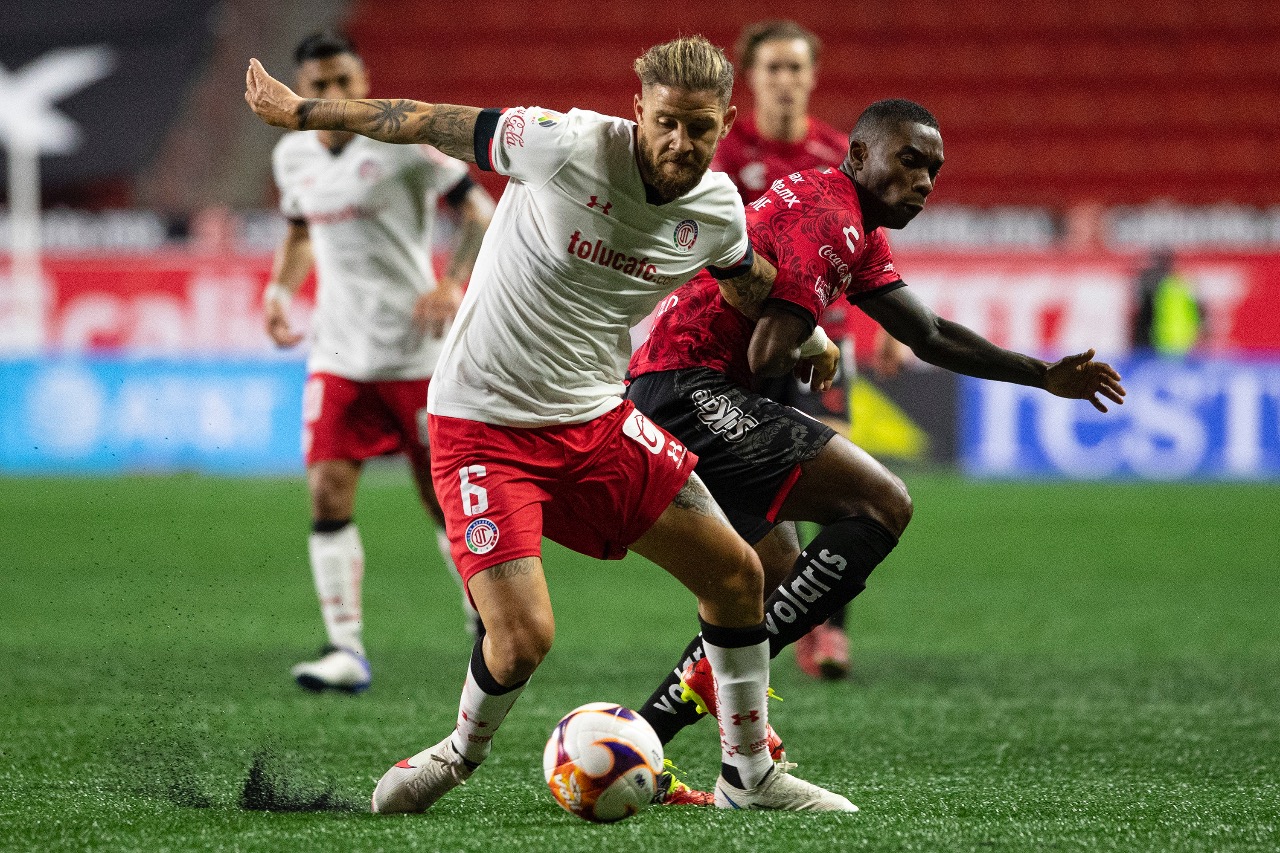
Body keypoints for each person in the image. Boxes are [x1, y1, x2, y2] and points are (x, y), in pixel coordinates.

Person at [246, 35, 857, 813]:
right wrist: (302, 112)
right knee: (524, 638)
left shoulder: (715, 206)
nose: (680, 142)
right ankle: (457, 753)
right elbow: (427, 120)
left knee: (739, 577)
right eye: (665, 122)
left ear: (724, 121)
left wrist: (805, 329)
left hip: (597, 417)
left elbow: (744, 279)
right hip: (483, 421)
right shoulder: (563, 144)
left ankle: (751, 774)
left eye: (699, 128)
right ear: (638, 110)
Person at [625, 98, 1126, 757]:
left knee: (769, 575)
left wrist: (1043, 374)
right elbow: (767, 352)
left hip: (677, 384)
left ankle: (642, 738)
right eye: (910, 161)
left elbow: (929, 332)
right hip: (688, 386)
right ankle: (713, 683)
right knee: (883, 500)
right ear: (859, 156)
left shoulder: (854, 223)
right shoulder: (830, 217)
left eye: (934, 171)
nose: (923, 181)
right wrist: (811, 331)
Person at [262, 31, 494, 694]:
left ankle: (485, 619)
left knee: (441, 501)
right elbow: (301, 230)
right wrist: (279, 289)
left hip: (417, 358)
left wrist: (452, 281)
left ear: (363, 81)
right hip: (338, 354)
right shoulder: (291, 155)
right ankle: (344, 648)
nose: (333, 95)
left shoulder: (403, 148)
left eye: (343, 82)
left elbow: (482, 212)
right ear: (302, 88)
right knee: (327, 493)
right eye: (319, 84)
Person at [711, 19, 905, 679]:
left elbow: (865, 249)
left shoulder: (835, 152)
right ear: (751, 77)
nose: (786, 81)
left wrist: (882, 326)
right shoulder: (728, 155)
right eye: (773, 69)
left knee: (840, 470)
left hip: (827, 337)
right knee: (759, 483)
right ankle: (781, 609)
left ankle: (826, 630)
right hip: (753, 340)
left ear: (813, 76)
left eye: (796, 68)